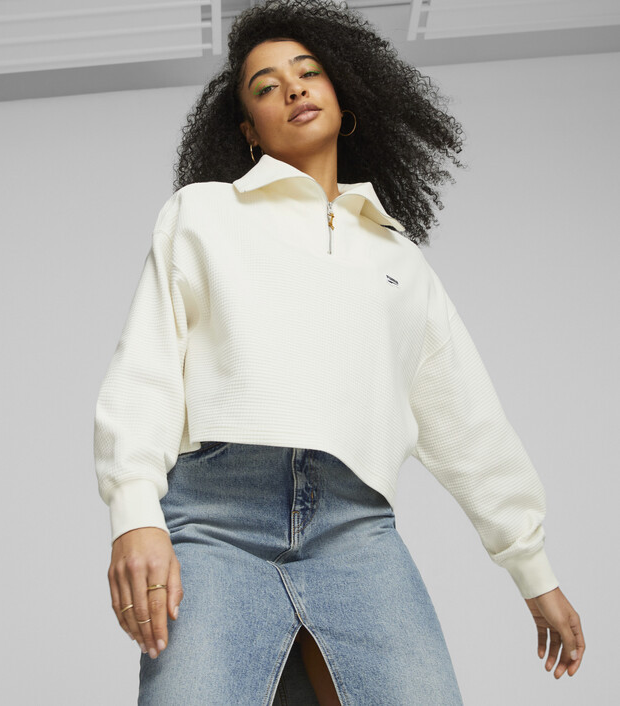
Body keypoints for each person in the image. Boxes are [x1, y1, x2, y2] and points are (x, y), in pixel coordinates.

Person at [93, 1, 586, 703]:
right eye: (266, 86)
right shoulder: (203, 213)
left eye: (308, 72)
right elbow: (146, 370)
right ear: (248, 130)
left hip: (355, 532)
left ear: (342, 95)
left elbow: (468, 421)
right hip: (214, 525)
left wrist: (533, 573)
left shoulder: (397, 258)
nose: (292, 89)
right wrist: (135, 514)